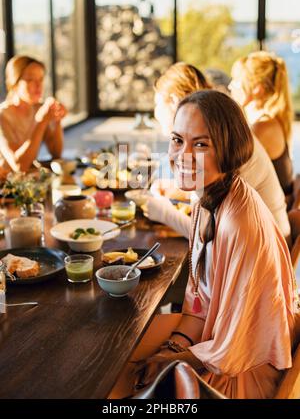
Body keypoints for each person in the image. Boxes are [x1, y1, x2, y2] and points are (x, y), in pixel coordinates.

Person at [110, 90, 298, 399]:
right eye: (177, 140)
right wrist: (176, 345)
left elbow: (234, 349)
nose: (183, 155)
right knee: (120, 352)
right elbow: (200, 301)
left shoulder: (239, 223)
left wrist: (173, 359)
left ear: (229, 149)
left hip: (239, 376)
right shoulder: (208, 198)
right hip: (215, 344)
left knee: (118, 376)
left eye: (200, 144)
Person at [147, 62, 291, 241]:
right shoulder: (222, 128)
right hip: (262, 239)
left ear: (175, 100)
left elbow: (211, 235)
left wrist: (163, 213)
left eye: (157, 103)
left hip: (263, 245)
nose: (155, 113)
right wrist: (178, 190)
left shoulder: (227, 142)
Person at [230, 51, 294, 197]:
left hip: (271, 215)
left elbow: (234, 173)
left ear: (257, 88)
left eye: (236, 80)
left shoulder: (263, 127)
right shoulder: (263, 121)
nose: (230, 85)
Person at [0, 55, 67, 175]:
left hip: (31, 184)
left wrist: (56, 118)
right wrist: (41, 121)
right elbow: (20, 166)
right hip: (7, 187)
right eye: (30, 80)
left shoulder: (38, 108)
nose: (38, 85)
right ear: (14, 83)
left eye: (41, 79)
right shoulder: (2, 115)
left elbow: (56, 153)